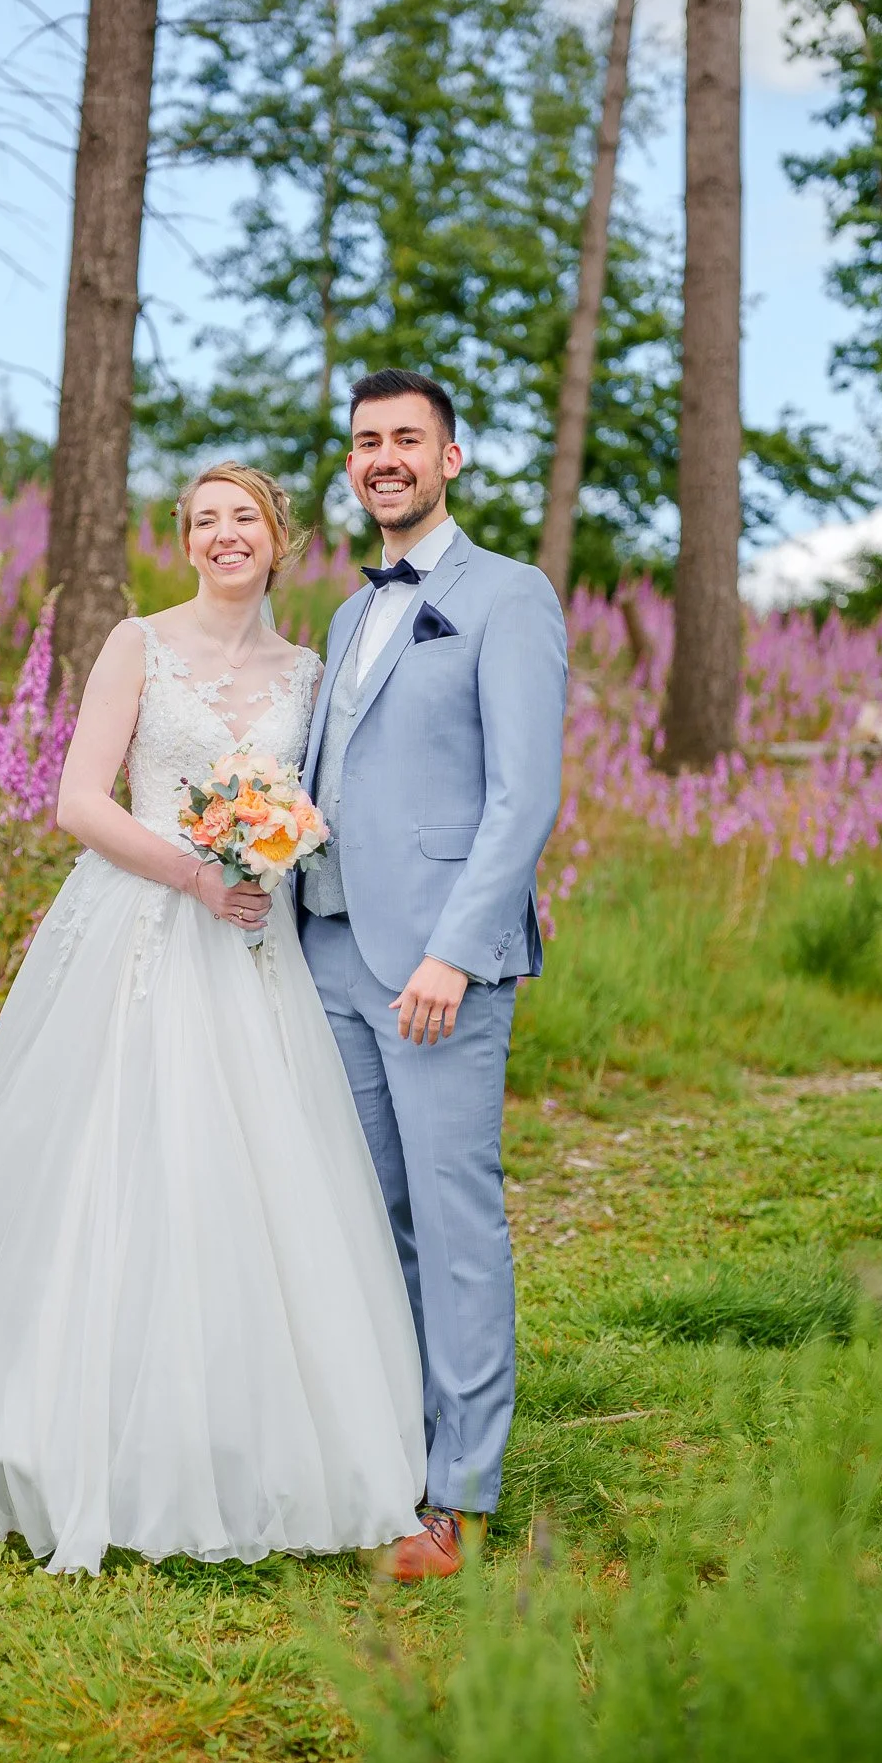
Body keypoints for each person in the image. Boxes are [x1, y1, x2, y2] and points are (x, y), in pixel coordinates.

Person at [0, 463, 425, 1575]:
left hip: (253, 947)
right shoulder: (135, 643)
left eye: (243, 519)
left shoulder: (308, 667)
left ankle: (236, 1441)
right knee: (103, 1171)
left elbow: (317, 802)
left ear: (278, 538)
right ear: (184, 540)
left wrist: (275, 851)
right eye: (204, 522)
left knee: (251, 1183)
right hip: (136, 932)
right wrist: (193, 874)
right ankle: (51, 1432)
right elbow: (77, 800)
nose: (223, 536)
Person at [300, 370, 568, 1580]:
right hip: (325, 950)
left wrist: (453, 953)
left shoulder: (509, 597)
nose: (385, 458)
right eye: (366, 442)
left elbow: (523, 796)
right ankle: (381, 1459)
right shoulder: (344, 616)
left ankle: (458, 1491)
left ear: (451, 458)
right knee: (367, 1218)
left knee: (453, 1219)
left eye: (407, 438)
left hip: (437, 968)